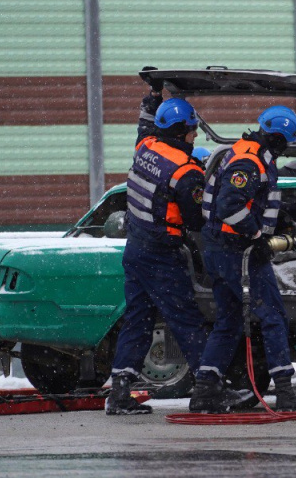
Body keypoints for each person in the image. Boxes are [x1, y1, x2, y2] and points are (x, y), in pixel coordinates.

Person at [189, 105, 296, 413]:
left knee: (229, 321)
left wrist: (275, 221)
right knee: (273, 317)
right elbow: (228, 206)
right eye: (285, 142)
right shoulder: (249, 161)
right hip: (237, 253)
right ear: (277, 138)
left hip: (220, 250)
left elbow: (246, 201)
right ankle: (284, 391)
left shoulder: (243, 152)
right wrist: (258, 236)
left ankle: (205, 388)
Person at [106, 73, 210, 415]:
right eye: (193, 129)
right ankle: (209, 390)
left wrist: (153, 94)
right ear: (183, 131)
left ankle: (119, 393)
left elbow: (145, 122)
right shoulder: (186, 171)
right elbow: (196, 221)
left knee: (138, 321)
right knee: (186, 320)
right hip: (161, 254)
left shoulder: (146, 147)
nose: (195, 135)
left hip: (135, 250)